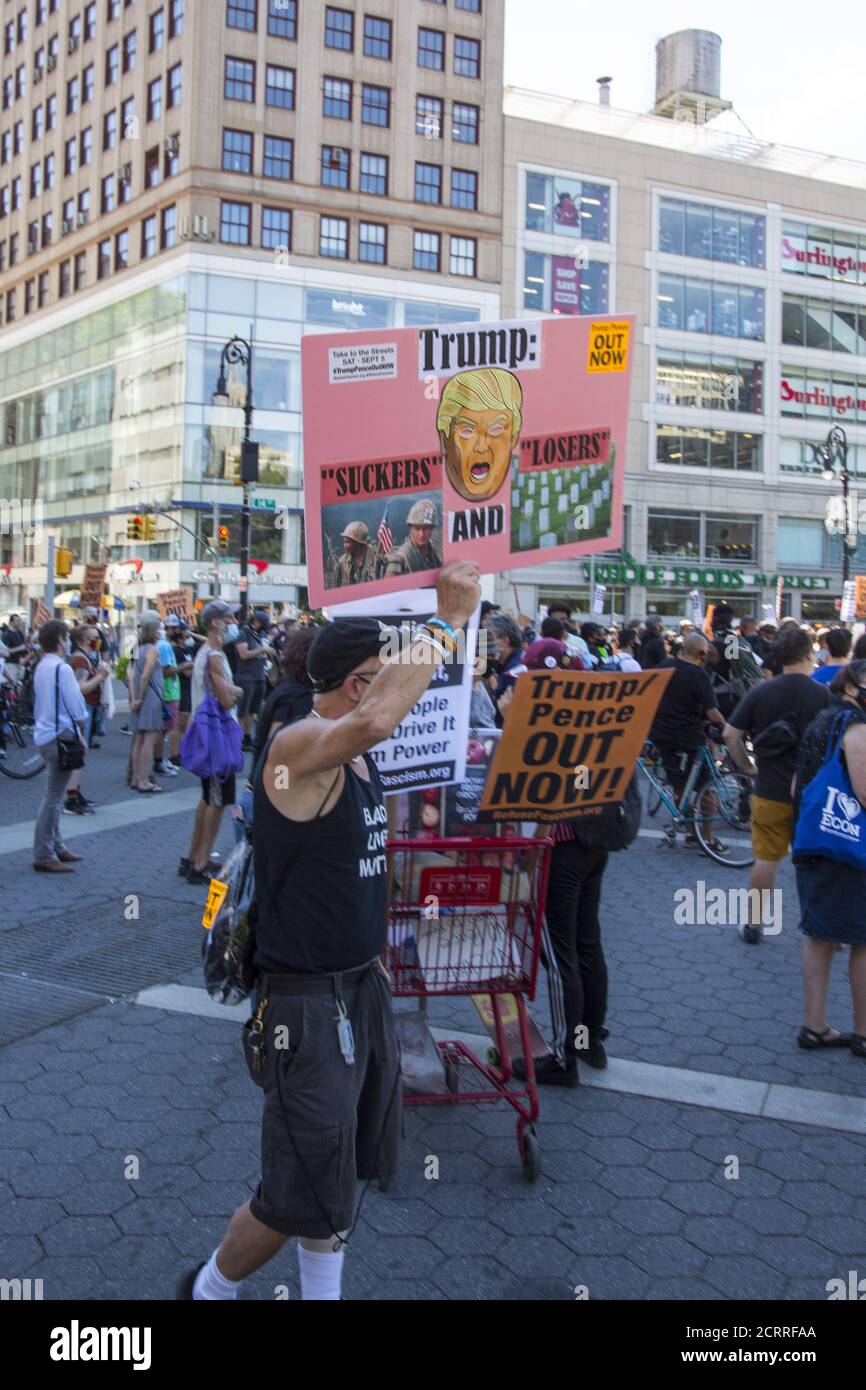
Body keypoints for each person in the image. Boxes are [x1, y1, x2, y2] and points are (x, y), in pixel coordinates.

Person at [178, 561, 481, 1303]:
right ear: (356, 685)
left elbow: (364, 846)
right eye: (385, 676)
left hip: (358, 987)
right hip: (305, 1008)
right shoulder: (297, 747)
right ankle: (208, 1291)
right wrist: (447, 621)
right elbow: (378, 718)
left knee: (338, 1169)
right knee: (296, 1186)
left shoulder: (363, 759)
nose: (400, 697)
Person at [723, 624, 832, 944]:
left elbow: (730, 735)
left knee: (766, 859)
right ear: (809, 654)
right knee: (817, 864)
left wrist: (747, 765)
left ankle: (754, 926)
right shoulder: (822, 695)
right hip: (811, 795)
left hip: (770, 788)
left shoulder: (761, 690)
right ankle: (826, 929)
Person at [792, 660, 866, 1056]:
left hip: (815, 841)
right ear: (853, 686)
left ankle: (815, 1026)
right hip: (850, 848)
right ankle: (863, 1032)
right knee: (863, 942)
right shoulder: (857, 726)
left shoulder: (824, 718)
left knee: (820, 937)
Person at [182, 600, 243, 884]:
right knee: (216, 801)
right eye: (230, 618)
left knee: (208, 798)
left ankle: (193, 856)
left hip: (209, 736)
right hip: (217, 739)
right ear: (217, 623)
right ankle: (201, 864)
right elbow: (226, 697)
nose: (235, 623)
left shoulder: (207, 652)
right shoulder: (214, 657)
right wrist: (238, 690)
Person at [649, 632, 726, 846]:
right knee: (708, 787)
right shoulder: (698, 675)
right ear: (702, 653)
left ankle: (692, 834)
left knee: (680, 786)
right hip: (690, 738)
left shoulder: (663, 667)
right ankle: (708, 839)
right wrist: (726, 727)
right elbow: (712, 714)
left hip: (663, 736)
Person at [31, 620, 88, 874]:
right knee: (53, 798)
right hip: (60, 736)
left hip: (44, 734)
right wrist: (81, 728)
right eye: (66, 637)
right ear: (61, 640)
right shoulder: (62, 669)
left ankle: (56, 845)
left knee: (52, 794)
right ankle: (44, 853)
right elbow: (77, 706)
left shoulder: (42, 665)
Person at [65, 625, 110, 815]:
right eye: (94, 638)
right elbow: (80, 688)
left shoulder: (84, 658)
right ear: (83, 640)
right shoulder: (80, 660)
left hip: (88, 707)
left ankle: (76, 792)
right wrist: (100, 676)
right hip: (83, 708)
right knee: (79, 753)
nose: (97, 641)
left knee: (81, 753)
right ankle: (72, 797)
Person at [128, 619, 167, 794]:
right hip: (150, 697)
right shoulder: (152, 649)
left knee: (139, 738)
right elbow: (145, 676)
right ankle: (144, 780)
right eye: (159, 629)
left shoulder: (135, 649)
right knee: (148, 740)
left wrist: (133, 699)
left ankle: (136, 778)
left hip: (138, 697)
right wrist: (141, 698)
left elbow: (130, 676)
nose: (161, 632)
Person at [233, 610, 271, 752]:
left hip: (259, 677)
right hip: (246, 678)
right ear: (256, 622)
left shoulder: (260, 636)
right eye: (262, 624)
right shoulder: (243, 634)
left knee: (252, 710)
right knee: (243, 710)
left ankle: (248, 737)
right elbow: (243, 654)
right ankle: (237, 739)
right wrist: (261, 650)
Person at [151, 620, 181, 778]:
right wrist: (185, 667)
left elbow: (130, 665)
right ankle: (158, 762)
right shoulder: (164, 645)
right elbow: (166, 671)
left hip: (163, 692)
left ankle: (158, 762)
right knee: (162, 731)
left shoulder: (144, 644)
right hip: (168, 692)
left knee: (160, 731)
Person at [166, 614, 197, 764]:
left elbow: (204, 641)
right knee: (178, 725)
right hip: (181, 689)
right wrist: (190, 666)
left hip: (189, 689)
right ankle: (173, 754)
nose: (187, 635)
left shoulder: (188, 650)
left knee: (185, 726)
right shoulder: (176, 651)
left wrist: (191, 633)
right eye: (185, 632)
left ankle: (181, 752)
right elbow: (186, 671)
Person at [384, 500, 442, 576]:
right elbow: (389, 584)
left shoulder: (432, 553)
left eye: (426, 528)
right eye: (417, 528)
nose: (421, 534)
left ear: (432, 528)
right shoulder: (400, 559)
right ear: (411, 528)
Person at [488, 614, 525, 724]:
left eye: (489, 639)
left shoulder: (513, 672)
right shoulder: (506, 663)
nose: (484, 645)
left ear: (504, 641)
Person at [332, 522, 378, 588]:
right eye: (344, 542)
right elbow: (336, 588)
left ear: (358, 543)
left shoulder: (375, 558)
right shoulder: (342, 561)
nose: (344, 546)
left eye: (347, 542)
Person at [1, 613, 30, 683]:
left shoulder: (19, 633)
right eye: (17, 621)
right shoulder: (6, 634)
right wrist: (19, 648)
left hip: (20, 664)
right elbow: (6, 651)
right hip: (10, 664)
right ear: (11, 622)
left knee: (18, 687)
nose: (18, 622)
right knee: (10, 686)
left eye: (19, 621)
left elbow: (23, 645)